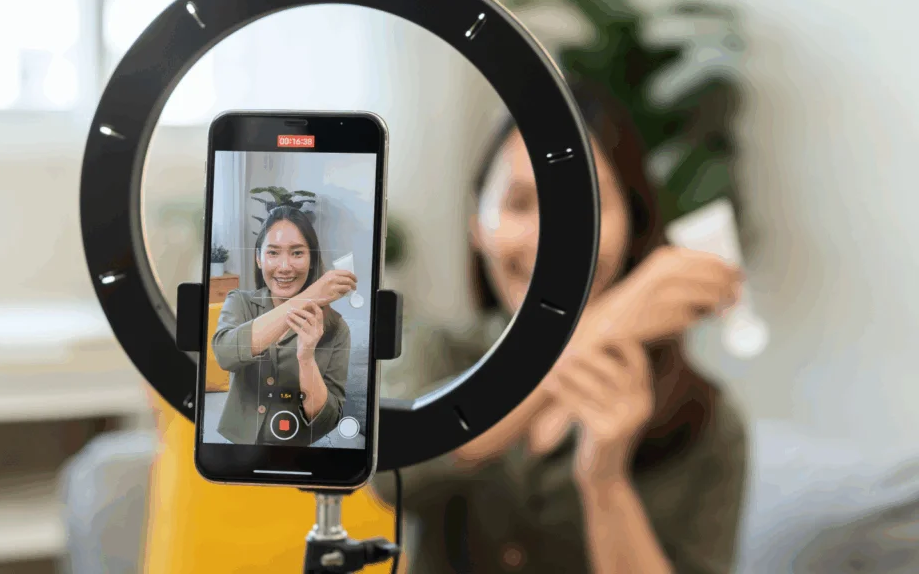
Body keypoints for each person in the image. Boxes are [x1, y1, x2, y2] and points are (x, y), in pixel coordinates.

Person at [373, 79, 749, 573]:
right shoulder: (432, 352)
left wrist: (605, 482)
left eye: (585, 204)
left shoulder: (705, 421)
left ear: (633, 225)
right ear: (477, 224)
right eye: (520, 203)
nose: (552, 238)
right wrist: (600, 329)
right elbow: (394, 472)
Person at [213, 205, 358, 446]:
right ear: (258, 258)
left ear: (312, 260)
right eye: (273, 252)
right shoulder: (240, 302)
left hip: (297, 451)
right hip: (238, 448)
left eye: (297, 253)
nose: (284, 267)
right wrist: (309, 296)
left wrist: (306, 359)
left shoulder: (336, 329)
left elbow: (327, 420)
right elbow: (225, 354)